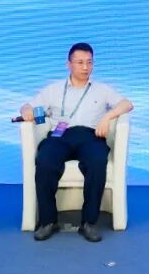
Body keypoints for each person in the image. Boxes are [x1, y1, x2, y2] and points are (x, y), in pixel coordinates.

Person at [19, 43, 133, 243]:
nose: (85, 67)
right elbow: (28, 106)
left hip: (90, 135)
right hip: (60, 136)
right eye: (80, 62)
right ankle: (48, 221)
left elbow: (127, 104)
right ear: (68, 64)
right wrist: (26, 111)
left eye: (89, 62)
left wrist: (107, 117)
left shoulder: (102, 89)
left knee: (97, 162)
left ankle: (89, 222)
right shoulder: (54, 89)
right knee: (45, 160)